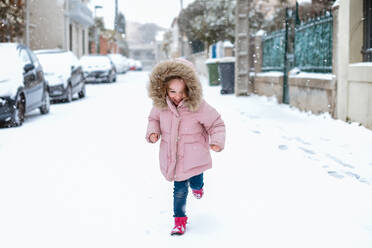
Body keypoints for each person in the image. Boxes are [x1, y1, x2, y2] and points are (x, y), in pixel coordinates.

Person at [145, 58, 226, 235]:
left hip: (195, 156)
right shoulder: (160, 106)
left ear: (190, 88)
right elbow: (153, 119)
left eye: (182, 91)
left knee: (196, 181)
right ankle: (179, 220)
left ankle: (198, 187)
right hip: (174, 158)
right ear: (164, 88)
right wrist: (153, 132)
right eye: (172, 91)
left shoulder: (198, 107)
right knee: (179, 190)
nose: (177, 96)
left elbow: (216, 123)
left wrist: (217, 141)